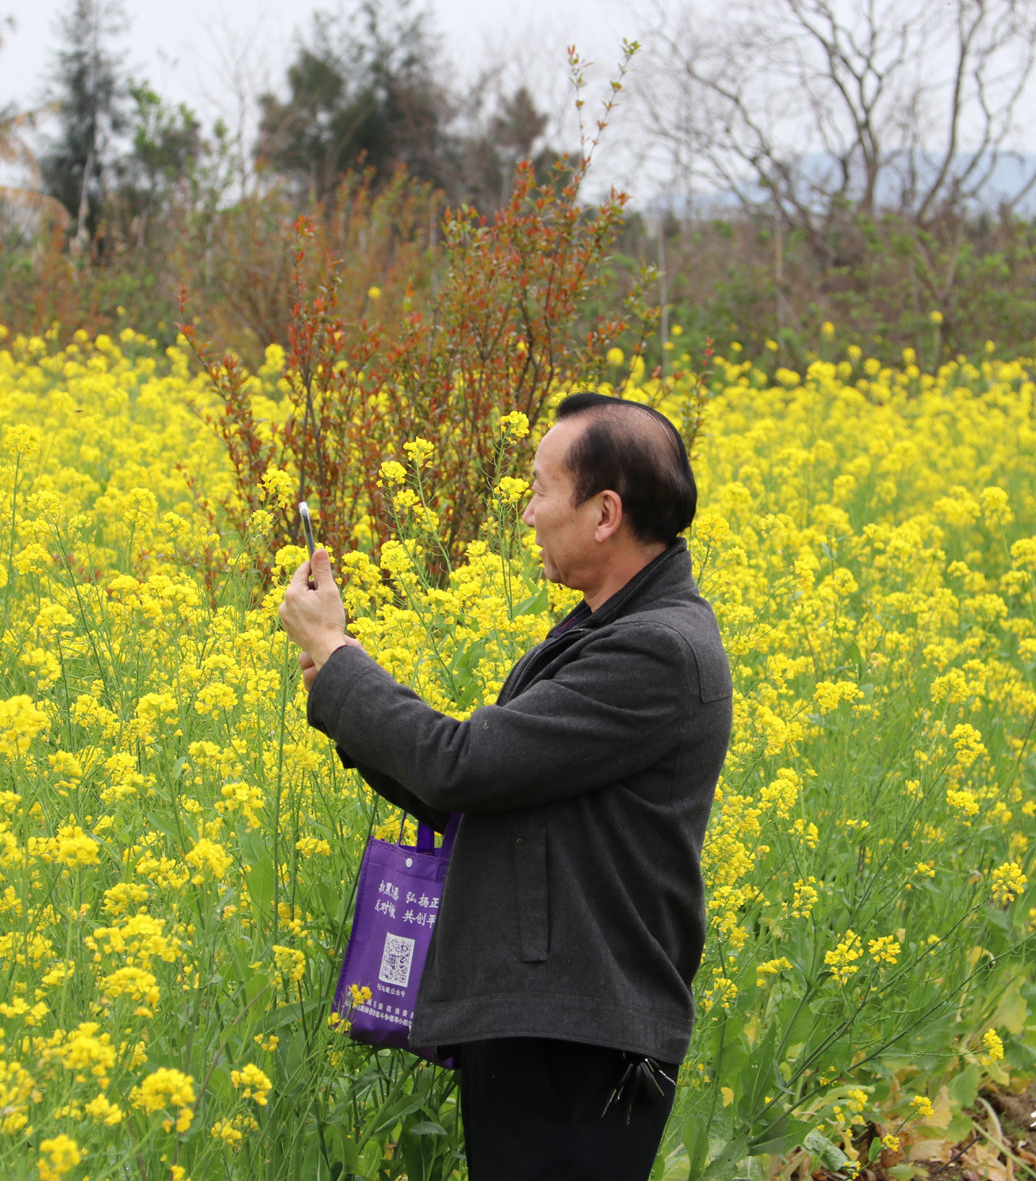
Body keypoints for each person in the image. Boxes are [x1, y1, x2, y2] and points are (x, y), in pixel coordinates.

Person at [278, 392, 733, 1181]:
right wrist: (336, 682)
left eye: (539, 489)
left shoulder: (658, 651)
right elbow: (474, 791)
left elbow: (463, 764)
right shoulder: (603, 629)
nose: (526, 514)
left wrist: (341, 656)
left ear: (604, 512)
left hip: (579, 1032)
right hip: (548, 1020)